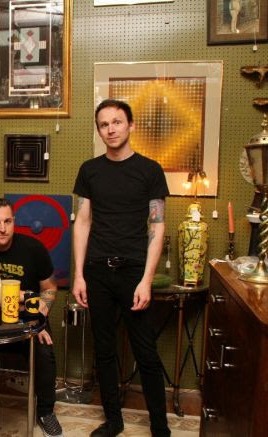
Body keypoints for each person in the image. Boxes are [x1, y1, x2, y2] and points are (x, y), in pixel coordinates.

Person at [72, 99, 170, 437]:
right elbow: (82, 222)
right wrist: (79, 275)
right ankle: (114, 421)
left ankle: (160, 427)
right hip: (97, 271)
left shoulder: (150, 170)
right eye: (104, 124)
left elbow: (157, 226)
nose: (111, 129)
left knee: (146, 352)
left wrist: (146, 280)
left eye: (117, 122)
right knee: (103, 350)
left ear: (130, 125)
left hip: (134, 272)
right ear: (99, 131)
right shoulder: (89, 170)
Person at [0, 198, 63, 437]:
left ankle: (45, 412)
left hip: (26, 320)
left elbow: (49, 289)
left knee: (44, 349)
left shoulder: (33, 248)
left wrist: (40, 317)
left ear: (14, 222)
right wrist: (26, 295)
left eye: (7, 221)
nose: (3, 228)